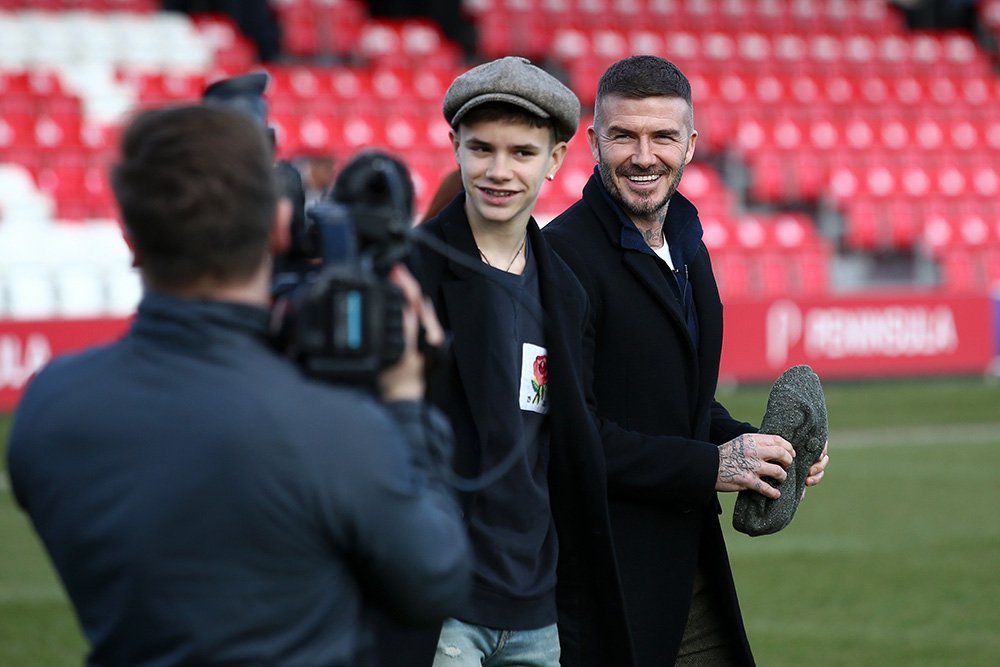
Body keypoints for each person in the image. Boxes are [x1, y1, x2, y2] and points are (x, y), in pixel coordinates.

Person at [6, 103, 470, 667]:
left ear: (129, 235)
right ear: (279, 226)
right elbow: (436, 579)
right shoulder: (332, 426)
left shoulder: (50, 407)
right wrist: (404, 400)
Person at [543, 55, 830, 665]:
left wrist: (759, 451)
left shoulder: (689, 241)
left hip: (688, 561)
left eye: (663, 137)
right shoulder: (561, 258)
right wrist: (711, 466)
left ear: (691, 144)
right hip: (604, 584)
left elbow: (678, 400)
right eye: (624, 135)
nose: (644, 157)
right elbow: (569, 437)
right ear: (593, 140)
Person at [384, 56, 632, 666]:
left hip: (536, 610)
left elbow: (567, 443)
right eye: (481, 149)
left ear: (555, 160)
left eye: (522, 152)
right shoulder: (406, 275)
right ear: (455, 147)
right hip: (439, 607)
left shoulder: (567, 292)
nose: (499, 171)